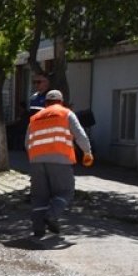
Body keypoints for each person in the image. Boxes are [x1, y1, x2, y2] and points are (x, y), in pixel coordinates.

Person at [26, 89, 93, 240]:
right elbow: (80, 135)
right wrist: (87, 152)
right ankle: (51, 215)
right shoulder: (66, 113)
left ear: (46, 102)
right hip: (60, 160)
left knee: (39, 196)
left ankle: (38, 229)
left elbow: (27, 142)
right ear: (61, 102)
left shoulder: (35, 118)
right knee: (65, 191)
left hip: (36, 161)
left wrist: (35, 156)